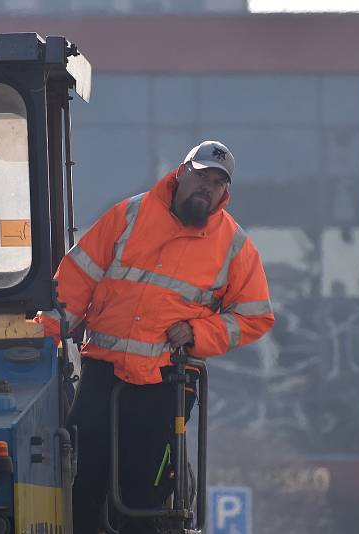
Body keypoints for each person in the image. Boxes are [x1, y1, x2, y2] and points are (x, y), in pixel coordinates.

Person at [36, 140, 275, 534]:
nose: (206, 187)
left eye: (217, 182)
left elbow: (256, 316)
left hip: (167, 383)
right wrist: (44, 338)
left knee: (142, 493)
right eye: (201, 175)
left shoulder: (235, 247)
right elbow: (78, 277)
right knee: (79, 479)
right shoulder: (130, 214)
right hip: (103, 374)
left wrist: (200, 332)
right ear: (181, 173)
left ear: (224, 193)